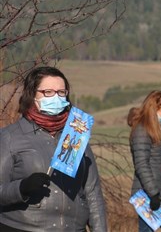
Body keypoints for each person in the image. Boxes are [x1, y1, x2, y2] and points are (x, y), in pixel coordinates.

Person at [0, 66, 108, 231]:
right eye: (48, 92)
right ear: (32, 94)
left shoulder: (76, 135)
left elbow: (92, 192)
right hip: (25, 227)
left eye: (61, 92)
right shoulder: (10, 137)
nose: (56, 97)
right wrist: (22, 188)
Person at [129, 91, 161, 232]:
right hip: (147, 195)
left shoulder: (157, 131)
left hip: (159, 194)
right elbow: (141, 165)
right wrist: (153, 194)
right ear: (155, 109)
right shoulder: (141, 131)